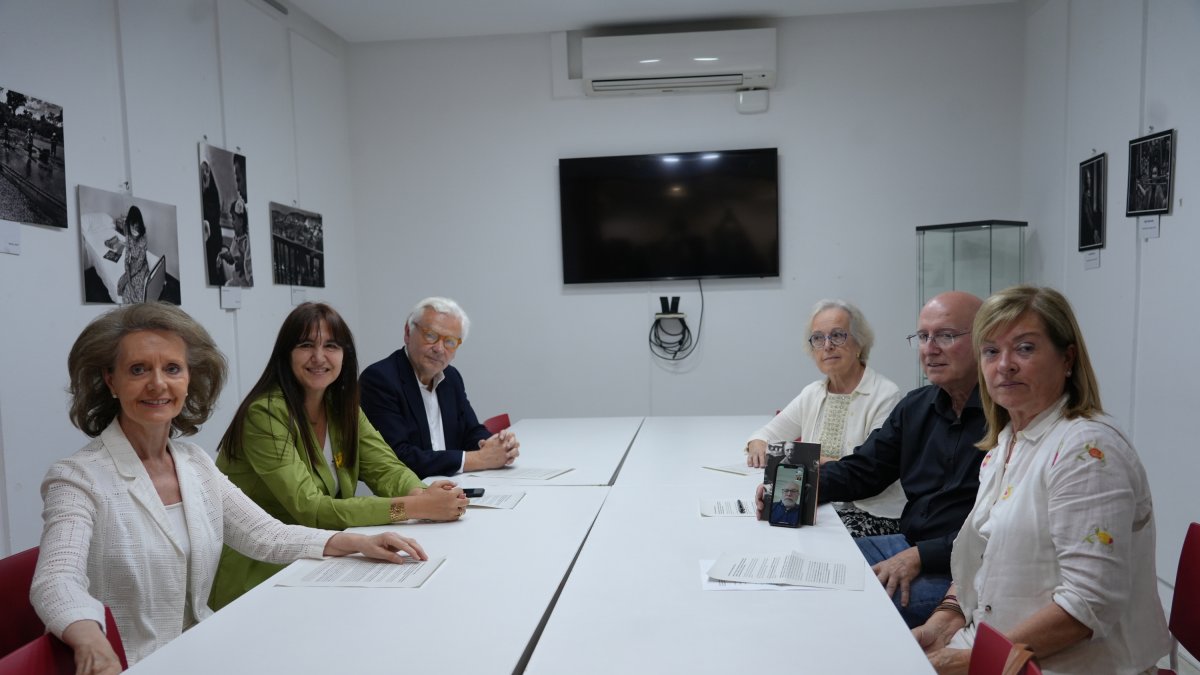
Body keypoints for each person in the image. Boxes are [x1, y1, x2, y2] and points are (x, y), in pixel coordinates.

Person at [30, 303, 427, 673]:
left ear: (189, 379)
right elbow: (56, 580)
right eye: (138, 370)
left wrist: (357, 542)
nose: (158, 384)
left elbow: (266, 536)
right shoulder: (78, 477)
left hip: (205, 649)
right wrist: (90, 641)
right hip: (132, 662)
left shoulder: (194, 463)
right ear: (110, 380)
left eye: (172, 368)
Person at [912, 286, 1169, 674]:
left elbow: (1089, 603)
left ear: (1068, 358)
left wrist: (974, 661)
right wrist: (945, 619)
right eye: (991, 351)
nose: (1005, 365)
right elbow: (983, 556)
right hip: (996, 646)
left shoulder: (1087, 452)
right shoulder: (1007, 443)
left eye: (1025, 348)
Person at [210, 302, 466, 609]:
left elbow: (386, 468)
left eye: (331, 346)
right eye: (306, 345)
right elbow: (312, 509)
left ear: (345, 355)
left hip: (324, 561)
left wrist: (423, 495)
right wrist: (413, 507)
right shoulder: (264, 414)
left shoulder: (341, 407)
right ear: (286, 354)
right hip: (261, 575)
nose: (319, 357)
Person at [759, 291, 986, 628]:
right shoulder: (916, 406)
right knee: (799, 567)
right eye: (923, 337)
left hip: (960, 568)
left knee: (836, 606)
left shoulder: (1005, 417)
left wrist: (923, 555)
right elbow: (865, 469)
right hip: (907, 544)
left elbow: (999, 528)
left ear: (984, 340)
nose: (930, 348)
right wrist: (799, 486)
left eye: (946, 335)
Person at [745, 299, 904, 537]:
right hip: (820, 503)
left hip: (870, 513)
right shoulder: (812, 393)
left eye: (837, 335)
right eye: (818, 338)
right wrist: (757, 444)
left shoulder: (886, 395)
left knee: (790, 536)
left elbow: (867, 470)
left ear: (859, 343)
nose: (827, 345)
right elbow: (765, 435)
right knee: (765, 526)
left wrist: (816, 462)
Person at [361, 297, 519, 478]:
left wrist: (496, 445)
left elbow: (471, 431)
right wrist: (480, 459)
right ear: (408, 333)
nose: (439, 349)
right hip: (414, 490)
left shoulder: (451, 377)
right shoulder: (380, 379)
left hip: (456, 483)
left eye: (450, 342)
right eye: (431, 335)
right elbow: (397, 457)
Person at [117, 205, 149, 304]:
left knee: (136, 297)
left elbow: (139, 265)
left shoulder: (143, 239)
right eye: (132, 226)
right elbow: (126, 259)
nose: (134, 231)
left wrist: (127, 280)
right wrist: (129, 284)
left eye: (137, 227)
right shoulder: (128, 237)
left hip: (141, 267)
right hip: (131, 267)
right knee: (123, 288)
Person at [200, 160, 224, 286]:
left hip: (214, 238)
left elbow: (213, 215)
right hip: (209, 240)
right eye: (203, 172)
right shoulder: (203, 192)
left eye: (207, 171)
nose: (205, 174)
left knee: (215, 272)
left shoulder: (212, 193)